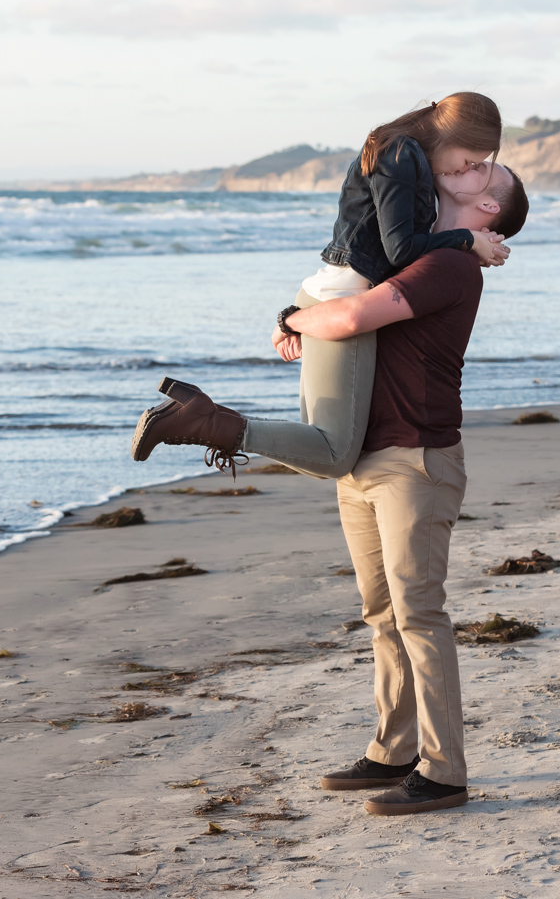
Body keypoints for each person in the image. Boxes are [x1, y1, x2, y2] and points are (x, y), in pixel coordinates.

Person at [134, 162, 526, 817]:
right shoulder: (417, 252)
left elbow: (348, 317)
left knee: (419, 616)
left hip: (415, 461)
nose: (465, 164)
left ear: (488, 204)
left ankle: (445, 770)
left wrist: (294, 315)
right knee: (382, 615)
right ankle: (393, 748)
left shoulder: (448, 268)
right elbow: (344, 301)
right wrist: (302, 322)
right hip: (361, 457)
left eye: (485, 170)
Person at [130, 93, 516, 477]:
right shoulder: (401, 155)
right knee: (331, 454)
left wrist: (474, 243)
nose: (463, 169)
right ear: (452, 135)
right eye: (469, 160)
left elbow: (409, 249)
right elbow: (400, 251)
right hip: (340, 298)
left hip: (330, 293)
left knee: (321, 449)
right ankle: (201, 421)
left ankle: (206, 418)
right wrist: (467, 239)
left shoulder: (401, 151)